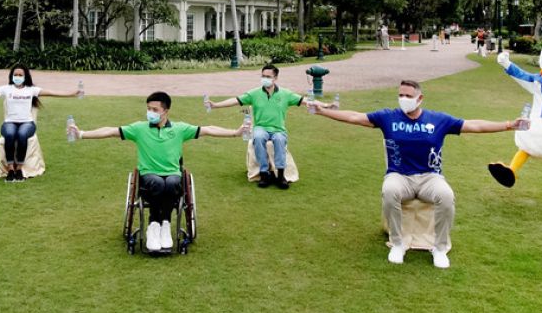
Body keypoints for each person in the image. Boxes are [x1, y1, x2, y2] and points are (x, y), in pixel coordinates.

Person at [307, 79, 524, 269]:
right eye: (400, 95)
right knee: (389, 190)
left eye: (408, 96)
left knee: (446, 195)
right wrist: (322, 110)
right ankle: (398, 244)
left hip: (430, 177)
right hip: (399, 176)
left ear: (420, 98)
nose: (403, 99)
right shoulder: (387, 117)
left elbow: (474, 125)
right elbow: (354, 117)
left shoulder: (438, 120)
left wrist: (508, 125)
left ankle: (439, 249)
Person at [71, 91, 243, 253]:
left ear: (165, 111)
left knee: (173, 182)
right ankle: (154, 225)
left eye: (154, 110)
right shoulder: (139, 129)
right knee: (158, 182)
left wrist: (235, 133)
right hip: (149, 178)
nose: (150, 113)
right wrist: (82, 134)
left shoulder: (179, 129)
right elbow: (110, 131)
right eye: (148, 109)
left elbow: (208, 129)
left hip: (173, 176)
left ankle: (165, 225)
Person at [0, 66, 79, 181]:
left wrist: (72, 93)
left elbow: (53, 92)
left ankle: (19, 169)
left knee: (22, 134)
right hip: (9, 122)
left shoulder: (32, 90)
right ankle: (10, 169)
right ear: (12, 76)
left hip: (27, 123)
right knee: (10, 134)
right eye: (15, 74)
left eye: (20, 75)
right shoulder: (6, 89)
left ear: (25, 76)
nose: (18, 77)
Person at [206, 64, 304, 189]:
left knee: (279, 140)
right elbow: (236, 100)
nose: (265, 79)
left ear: (276, 78)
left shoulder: (286, 94)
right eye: (263, 76)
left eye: (268, 76)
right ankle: (264, 174)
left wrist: (325, 106)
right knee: (257, 137)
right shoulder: (254, 93)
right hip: (260, 127)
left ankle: (280, 176)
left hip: (278, 129)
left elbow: (305, 101)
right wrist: (215, 105)